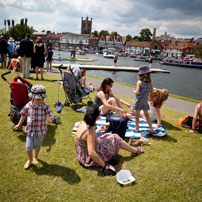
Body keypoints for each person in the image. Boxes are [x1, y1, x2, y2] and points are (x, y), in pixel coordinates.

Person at [75, 104, 144, 174]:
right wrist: (105, 166)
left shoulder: (83, 123)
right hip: (89, 159)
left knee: (109, 135)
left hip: (82, 154)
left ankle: (133, 150)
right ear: (97, 117)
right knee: (115, 138)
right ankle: (135, 151)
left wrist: (98, 130)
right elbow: (91, 153)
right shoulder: (90, 131)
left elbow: (87, 138)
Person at [13, 85, 54, 169]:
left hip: (40, 131)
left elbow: (51, 114)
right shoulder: (28, 105)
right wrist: (19, 124)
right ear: (32, 98)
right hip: (30, 130)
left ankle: (35, 156)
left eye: (43, 98)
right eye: (38, 99)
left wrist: (50, 118)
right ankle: (29, 159)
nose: (41, 101)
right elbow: (23, 115)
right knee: (28, 147)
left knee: (37, 145)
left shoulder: (45, 106)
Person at [131, 65, 157, 134]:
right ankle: (151, 128)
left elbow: (137, 92)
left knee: (137, 114)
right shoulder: (150, 82)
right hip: (145, 101)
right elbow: (151, 91)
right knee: (147, 115)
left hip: (139, 101)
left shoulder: (139, 82)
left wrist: (134, 91)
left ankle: (137, 127)